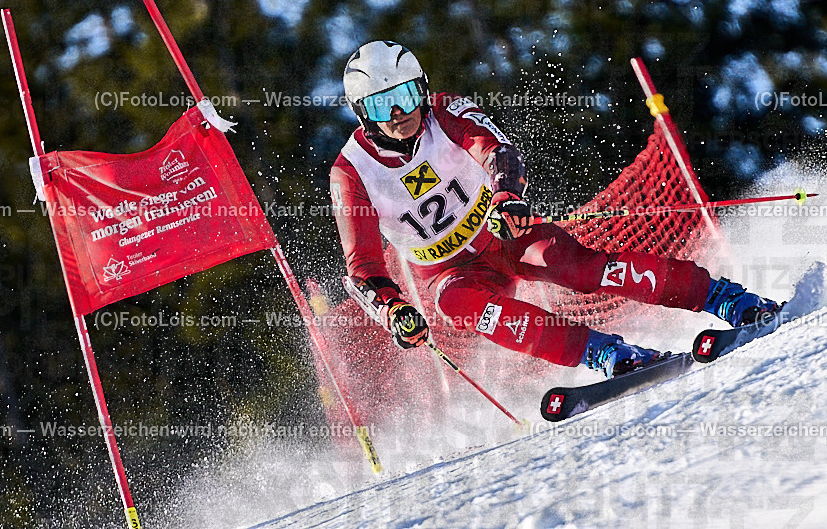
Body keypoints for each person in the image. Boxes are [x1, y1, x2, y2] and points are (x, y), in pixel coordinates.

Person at [330, 40, 779, 378]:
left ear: (422, 90)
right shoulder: (352, 172)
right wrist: (392, 311)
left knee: (570, 265)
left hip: (502, 231)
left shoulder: (446, 112)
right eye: (380, 104)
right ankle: (602, 352)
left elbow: (497, 152)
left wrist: (507, 197)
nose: (398, 112)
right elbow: (363, 266)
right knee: (460, 306)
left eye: (407, 96)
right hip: (448, 272)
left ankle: (725, 297)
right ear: (361, 113)